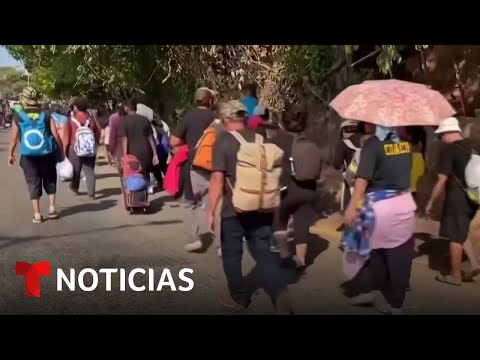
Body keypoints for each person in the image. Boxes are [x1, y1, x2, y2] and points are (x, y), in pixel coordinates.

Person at [208, 100, 292, 314]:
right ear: (245, 118)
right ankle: (280, 294)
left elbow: (217, 180)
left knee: (232, 253)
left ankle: (238, 297)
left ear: (226, 119)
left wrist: (211, 211)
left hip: (233, 209)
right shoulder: (260, 139)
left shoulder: (223, 141)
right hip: (262, 206)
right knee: (263, 252)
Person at [344, 124, 416, 315]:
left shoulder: (373, 145)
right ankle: (395, 305)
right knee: (400, 255)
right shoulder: (406, 143)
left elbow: (362, 178)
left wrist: (353, 206)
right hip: (405, 204)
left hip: (381, 207)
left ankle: (371, 292)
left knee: (375, 254)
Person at [426, 117, 480, 286]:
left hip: (457, 198)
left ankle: (456, 276)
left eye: (441, 135)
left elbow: (441, 181)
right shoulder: (473, 145)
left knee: (454, 237)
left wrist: (431, 202)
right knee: (461, 230)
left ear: (448, 132)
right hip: (474, 196)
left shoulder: (448, 151)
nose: (440, 138)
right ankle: (474, 263)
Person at [271, 107, 323, 273]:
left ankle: (285, 255)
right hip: (308, 190)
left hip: (285, 191)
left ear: (283, 122)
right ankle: (300, 260)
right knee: (302, 224)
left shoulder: (275, 141)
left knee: (279, 220)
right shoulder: (309, 142)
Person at [170, 88, 218, 252]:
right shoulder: (217, 118)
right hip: (216, 167)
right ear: (210, 101)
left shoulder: (189, 116)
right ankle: (221, 244)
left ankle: (193, 238)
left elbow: (174, 141)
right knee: (215, 204)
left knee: (190, 203)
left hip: (195, 165)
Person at [7, 87, 64, 222]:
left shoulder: (19, 116)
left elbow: (14, 138)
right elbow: (55, 134)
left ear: (24, 100)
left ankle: (37, 214)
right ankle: (51, 209)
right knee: (50, 179)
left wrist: (10, 154)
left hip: (28, 157)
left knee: (33, 182)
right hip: (47, 154)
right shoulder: (46, 115)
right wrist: (61, 151)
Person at [119, 99, 159, 185]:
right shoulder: (145, 120)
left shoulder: (124, 121)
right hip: (146, 151)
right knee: (145, 172)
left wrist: (125, 156)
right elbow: (151, 138)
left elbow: (125, 139)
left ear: (126, 108)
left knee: (134, 174)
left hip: (132, 152)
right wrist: (155, 154)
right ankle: (147, 191)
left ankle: (137, 193)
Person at [68, 98, 101, 198]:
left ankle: (74, 186)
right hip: (90, 148)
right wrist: (96, 143)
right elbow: (98, 132)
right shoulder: (91, 120)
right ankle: (91, 192)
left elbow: (68, 134)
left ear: (76, 107)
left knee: (76, 169)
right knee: (89, 169)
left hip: (75, 148)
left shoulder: (72, 120)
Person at [333, 120, 362, 212]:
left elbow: (336, 165)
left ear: (343, 131)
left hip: (350, 182)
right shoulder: (366, 142)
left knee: (349, 210)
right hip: (366, 181)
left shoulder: (343, 144)